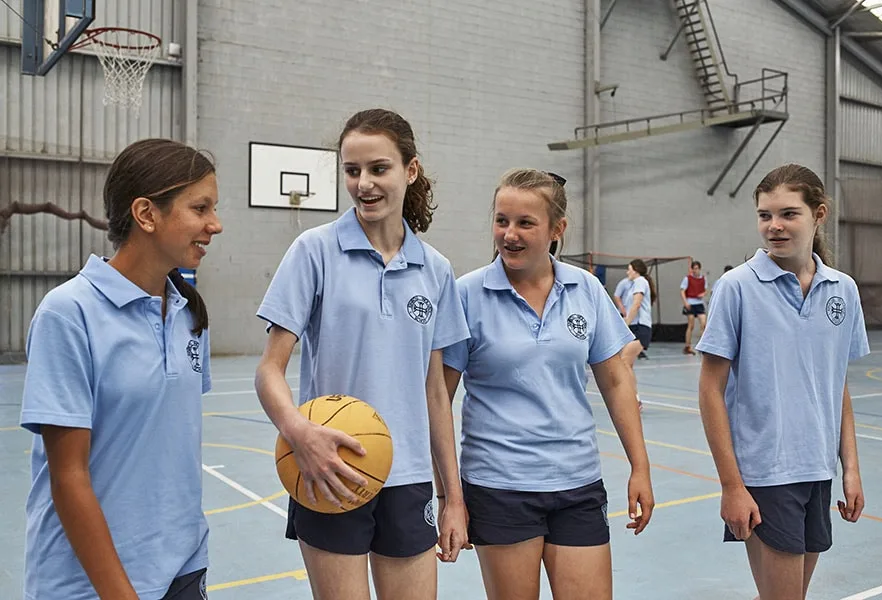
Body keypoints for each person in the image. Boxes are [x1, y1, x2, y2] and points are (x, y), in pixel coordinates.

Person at [255, 108, 470, 600]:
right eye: (352, 171)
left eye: (378, 169)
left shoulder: (435, 269)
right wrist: (298, 432)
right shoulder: (314, 250)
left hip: (409, 476)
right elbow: (270, 369)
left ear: (409, 171)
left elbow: (436, 394)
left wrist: (452, 497)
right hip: (327, 468)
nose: (363, 184)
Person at [19, 139, 223, 599]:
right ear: (147, 214)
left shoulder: (189, 313)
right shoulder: (68, 314)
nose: (216, 224)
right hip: (89, 586)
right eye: (201, 208)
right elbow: (68, 477)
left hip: (182, 569)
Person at [442, 169, 654, 600]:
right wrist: (450, 496)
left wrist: (641, 466)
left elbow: (615, 381)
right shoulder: (466, 295)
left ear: (557, 229)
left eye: (525, 223)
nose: (510, 234)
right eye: (502, 221)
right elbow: (437, 401)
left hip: (578, 484)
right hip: (500, 486)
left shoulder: (586, 289)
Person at [696, 164, 869, 600]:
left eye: (789, 214)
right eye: (764, 215)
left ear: (819, 214)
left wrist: (850, 468)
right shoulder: (737, 287)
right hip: (764, 473)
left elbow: (837, 384)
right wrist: (732, 485)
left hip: (817, 470)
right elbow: (710, 390)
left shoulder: (842, 290)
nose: (774, 226)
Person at [680, 260, 707, 355]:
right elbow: (682, 290)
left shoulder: (703, 279)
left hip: (699, 303)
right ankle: (687, 346)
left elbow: (705, 290)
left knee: (703, 323)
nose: (695, 271)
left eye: (697, 269)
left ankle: (703, 346)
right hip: (690, 303)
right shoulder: (687, 279)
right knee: (691, 325)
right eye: (694, 269)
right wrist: (685, 302)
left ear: (699, 269)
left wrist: (702, 294)